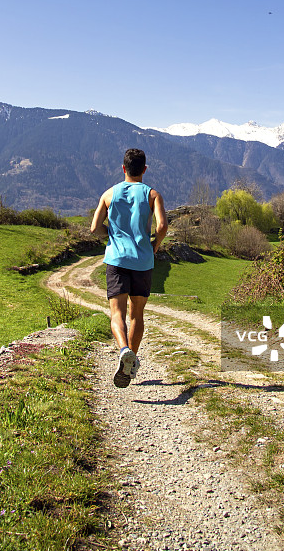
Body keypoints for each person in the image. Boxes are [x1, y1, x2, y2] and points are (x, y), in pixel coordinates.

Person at [90, 148, 168, 387]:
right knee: (137, 316)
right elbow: (162, 225)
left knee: (117, 314)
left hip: (117, 260)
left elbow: (94, 228)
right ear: (144, 170)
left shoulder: (109, 194)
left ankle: (124, 350)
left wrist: (111, 234)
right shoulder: (153, 194)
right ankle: (131, 362)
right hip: (143, 261)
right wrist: (154, 245)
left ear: (123, 168)